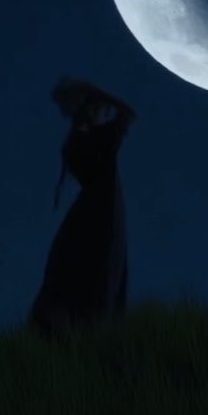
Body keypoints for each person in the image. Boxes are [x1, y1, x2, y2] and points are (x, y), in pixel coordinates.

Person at [28, 77, 137, 340]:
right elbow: (129, 113)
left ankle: (76, 333)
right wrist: (96, 92)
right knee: (93, 270)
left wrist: (92, 93)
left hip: (95, 210)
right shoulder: (96, 139)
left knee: (83, 270)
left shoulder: (77, 142)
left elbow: (126, 115)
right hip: (100, 212)